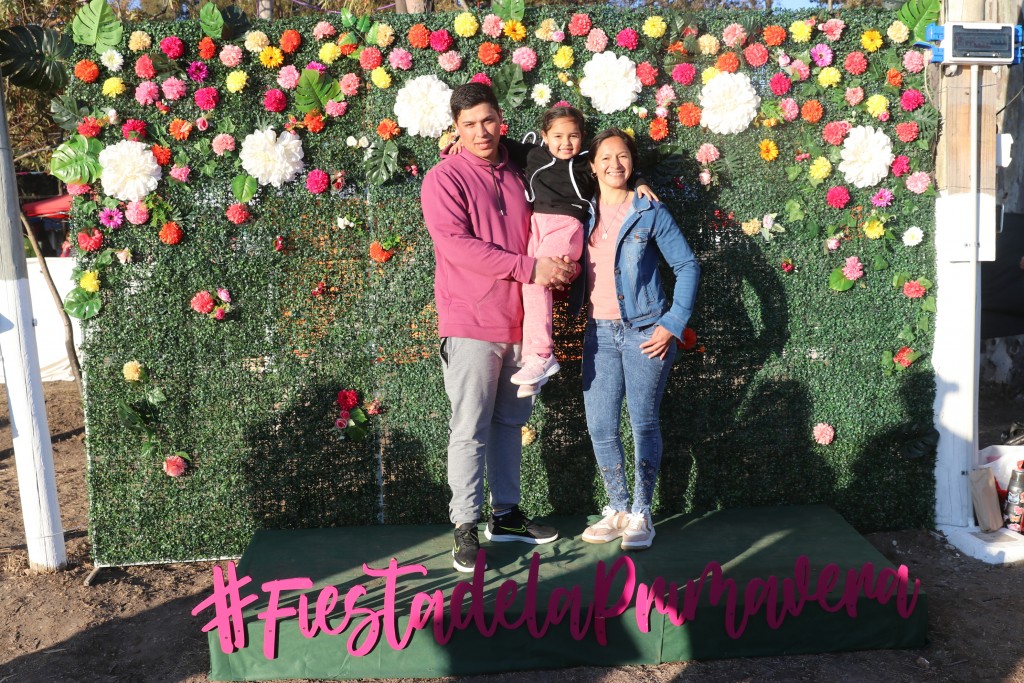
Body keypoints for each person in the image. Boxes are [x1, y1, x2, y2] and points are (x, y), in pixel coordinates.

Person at [421, 83, 576, 573]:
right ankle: (464, 525)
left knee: (510, 424)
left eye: (487, 120)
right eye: (469, 125)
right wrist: (532, 269)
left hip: (522, 325)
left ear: (500, 118)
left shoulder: (522, 168)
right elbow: (457, 246)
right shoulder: (443, 178)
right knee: (470, 428)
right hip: (470, 322)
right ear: (456, 129)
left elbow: (579, 166)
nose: (480, 132)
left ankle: (506, 516)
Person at [571, 128, 701, 551]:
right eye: (606, 157)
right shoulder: (580, 211)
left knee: (643, 423)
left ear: (633, 162)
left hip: (646, 332)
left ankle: (642, 514)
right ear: (592, 166)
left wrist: (672, 323)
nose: (615, 164)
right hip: (598, 334)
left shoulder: (649, 210)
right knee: (601, 426)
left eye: (623, 156)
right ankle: (617, 508)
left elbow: (687, 266)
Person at [508, 106, 657, 397]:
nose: (566, 143)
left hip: (566, 227)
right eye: (558, 136)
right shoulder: (532, 155)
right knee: (529, 284)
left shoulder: (586, 163)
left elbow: (623, 171)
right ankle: (533, 371)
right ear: (544, 136)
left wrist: (641, 183)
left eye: (573, 136)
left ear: (582, 137)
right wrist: (458, 143)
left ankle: (541, 355)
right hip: (535, 226)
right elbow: (497, 144)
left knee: (536, 281)